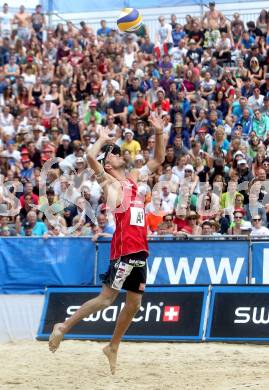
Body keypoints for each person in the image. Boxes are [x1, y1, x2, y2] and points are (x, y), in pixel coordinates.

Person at [48, 115, 165, 374]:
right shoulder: (109, 182)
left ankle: (112, 347)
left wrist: (158, 133)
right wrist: (102, 139)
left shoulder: (134, 177)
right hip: (124, 251)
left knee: (134, 304)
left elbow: (158, 160)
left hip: (140, 250)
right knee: (106, 299)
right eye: (111, 154)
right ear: (108, 165)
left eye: (114, 151)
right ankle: (63, 327)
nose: (115, 153)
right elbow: (91, 159)